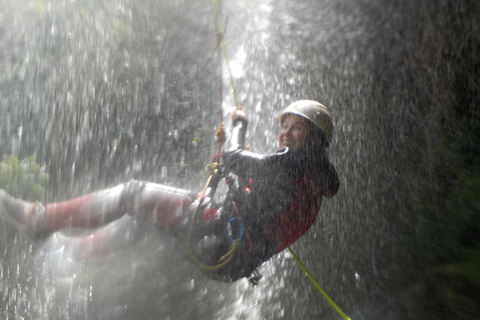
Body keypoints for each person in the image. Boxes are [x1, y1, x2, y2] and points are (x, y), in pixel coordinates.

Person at [0, 100, 339, 282]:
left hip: (217, 238)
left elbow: (236, 157)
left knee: (135, 194)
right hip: (225, 256)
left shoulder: (298, 164)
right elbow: (259, 202)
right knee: (144, 219)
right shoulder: (308, 183)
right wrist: (237, 171)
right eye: (285, 126)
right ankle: (69, 259)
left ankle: (41, 219)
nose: (285, 134)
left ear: (315, 141)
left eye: (298, 129)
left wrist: (239, 125)